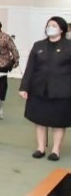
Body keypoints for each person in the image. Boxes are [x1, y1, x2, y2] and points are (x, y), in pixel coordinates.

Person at [19, 16, 71, 161]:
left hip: (62, 90)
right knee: (39, 119)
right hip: (39, 89)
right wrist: (24, 87)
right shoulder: (38, 45)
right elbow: (30, 68)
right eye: (48, 25)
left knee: (58, 121)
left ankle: (55, 150)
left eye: (54, 25)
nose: (50, 28)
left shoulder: (69, 46)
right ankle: (40, 148)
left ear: (62, 29)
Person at [0, 20, 20, 103]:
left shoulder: (5, 37)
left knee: (1, 80)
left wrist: (16, 60)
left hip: (3, 62)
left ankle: (0, 98)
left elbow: (13, 49)